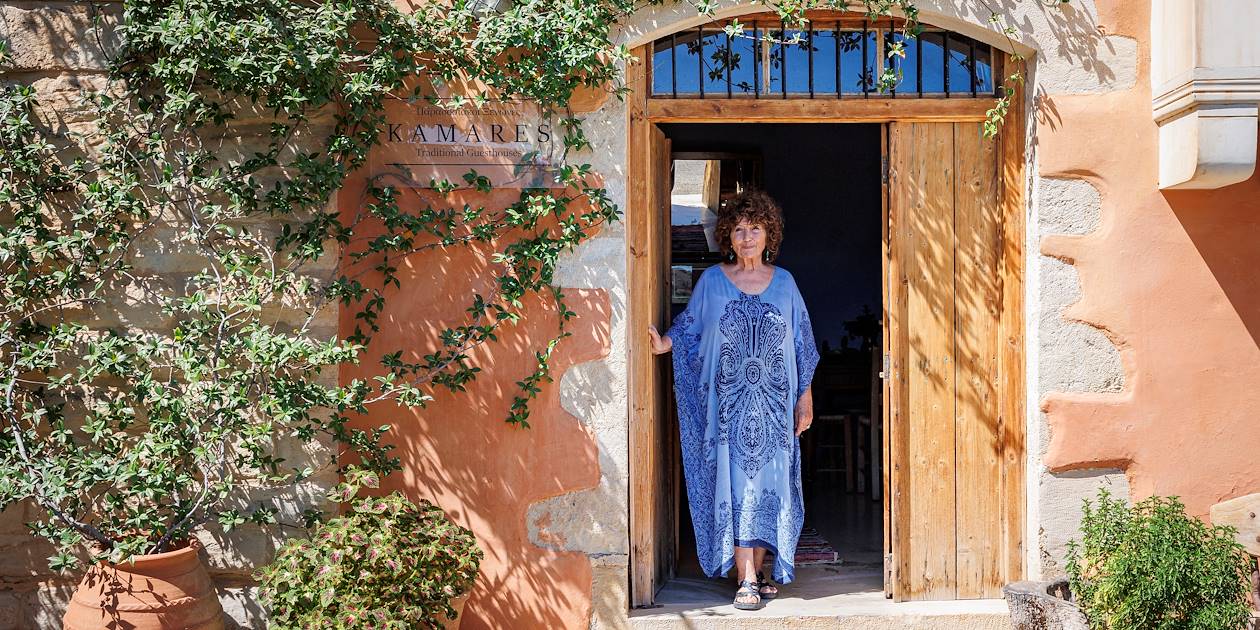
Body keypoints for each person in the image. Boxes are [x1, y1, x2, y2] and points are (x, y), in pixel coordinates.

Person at [648, 189, 819, 610]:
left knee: (769, 488)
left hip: (776, 413)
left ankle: (759, 570)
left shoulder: (785, 284)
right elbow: (691, 327)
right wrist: (664, 343)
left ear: (768, 235)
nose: (746, 238)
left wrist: (805, 399)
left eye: (754, 229)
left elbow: (802, 346)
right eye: (739, 230)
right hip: (729, 414)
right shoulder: (712, 283)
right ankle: (744, 578)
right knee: (737, 490)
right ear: (728, 236)